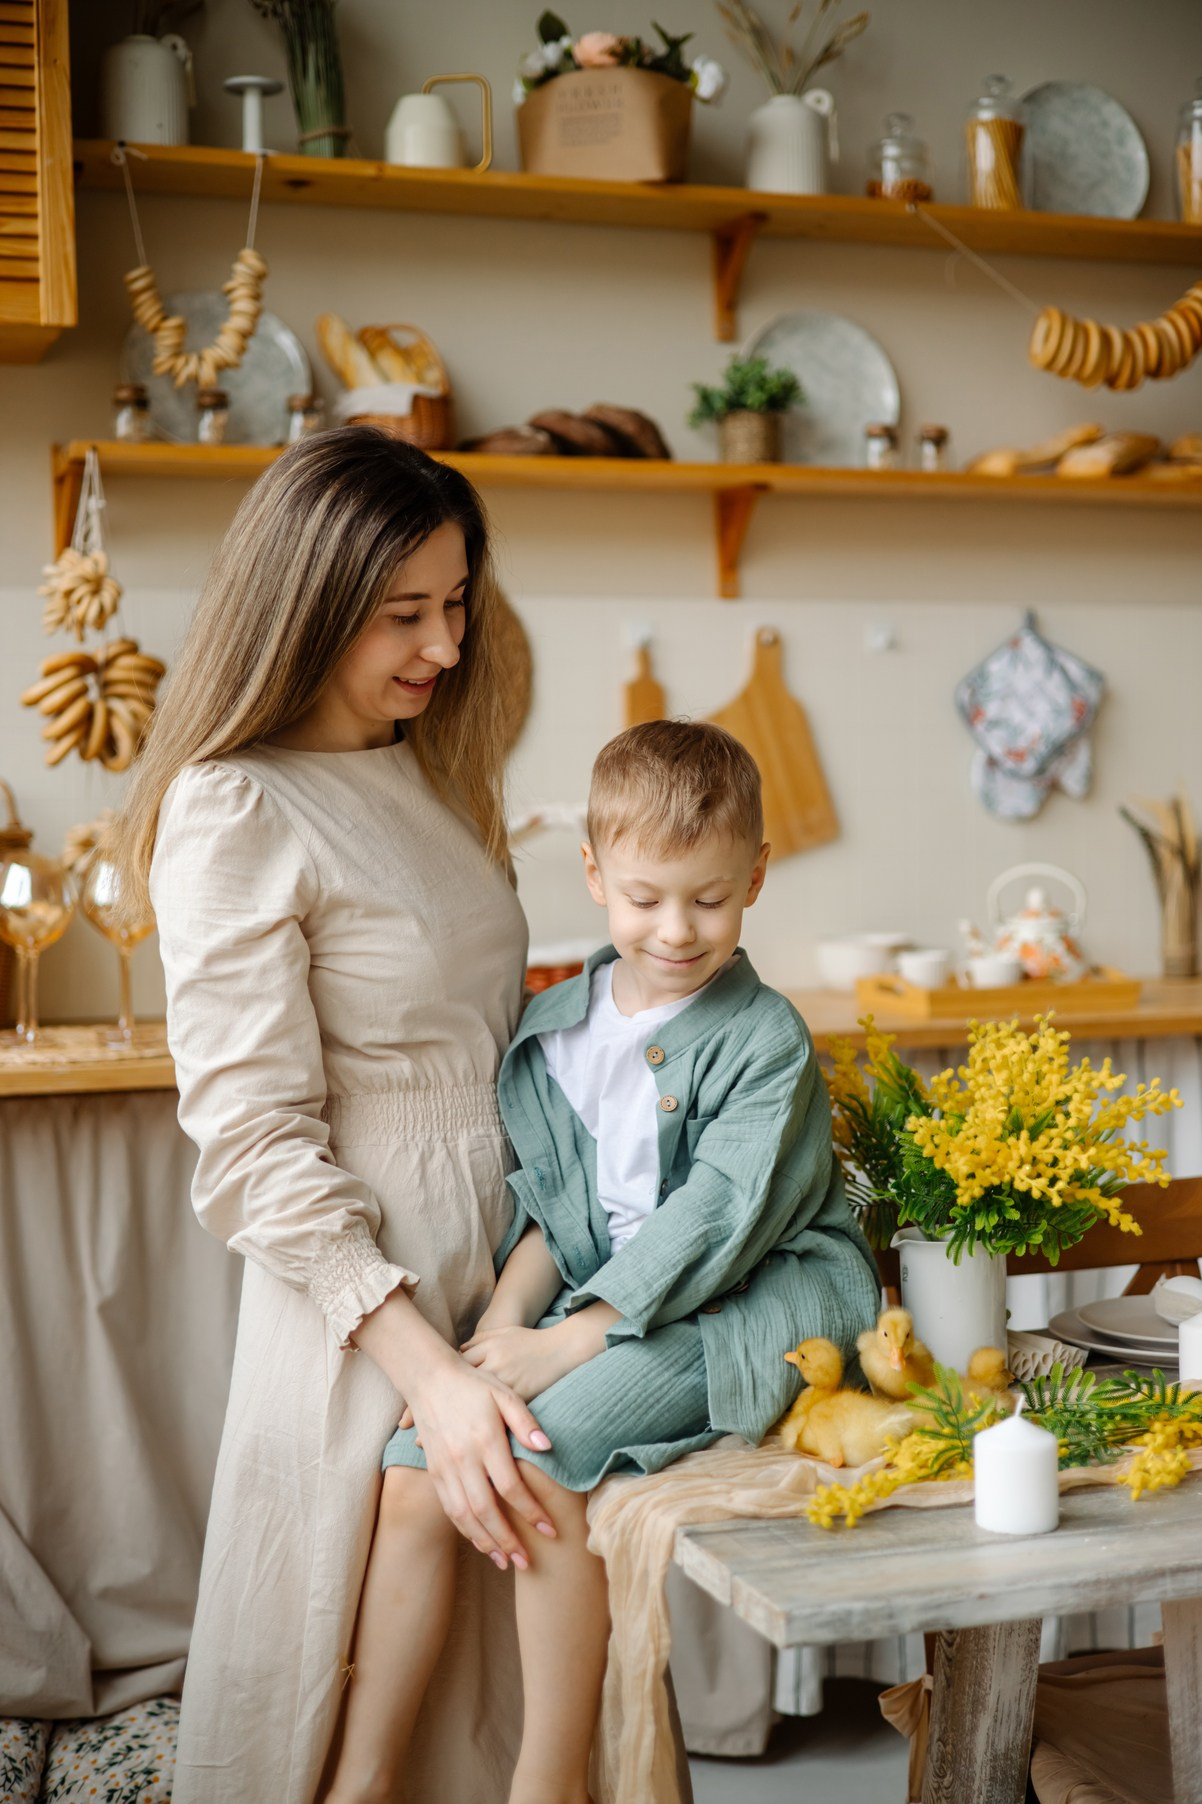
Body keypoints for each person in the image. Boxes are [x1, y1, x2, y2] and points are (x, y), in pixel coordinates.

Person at [115, 427, 557, 1804]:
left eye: (457, 603)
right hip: (374, 1298)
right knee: (346, 1681)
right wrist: (431, 1372)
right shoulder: (234, 802)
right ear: (305, 609)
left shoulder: (422, 770)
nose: (441, 643)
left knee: (499, 1693)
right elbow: (252, 1148)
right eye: (402, 614)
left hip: (496, 1276)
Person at [347, 719, 881, 1804]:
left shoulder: (762, 1037)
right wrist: (501, 1333)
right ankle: (359, 1780)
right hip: (597, 1308)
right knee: (412, 1475)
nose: (676, 929)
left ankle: (550, 1782)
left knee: (538, 1461)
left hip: (749, 1303)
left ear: (755, 879)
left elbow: (714, 1218)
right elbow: (555, 1209)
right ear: (592, 875)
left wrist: (569, 1342)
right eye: (644, 897)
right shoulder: (556, 1031)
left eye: (709, 898)